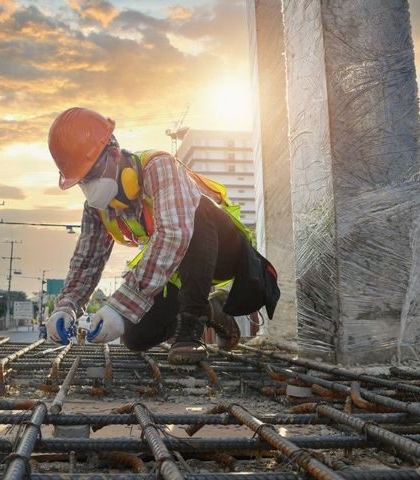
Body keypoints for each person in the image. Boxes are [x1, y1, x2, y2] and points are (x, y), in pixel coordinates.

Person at [45, 107, 280, 364]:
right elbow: (87, 261)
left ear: (113, 154)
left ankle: (191, 327)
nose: (89, 186)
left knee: (194, 211)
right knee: (135, 336)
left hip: (222, 250)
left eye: (91, 174)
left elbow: (174, 233)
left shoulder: (159, 166)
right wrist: (67, 305)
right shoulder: (98, 209)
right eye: (81, 180)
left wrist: (118, 305)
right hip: (178, 268)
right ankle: (214, 310)